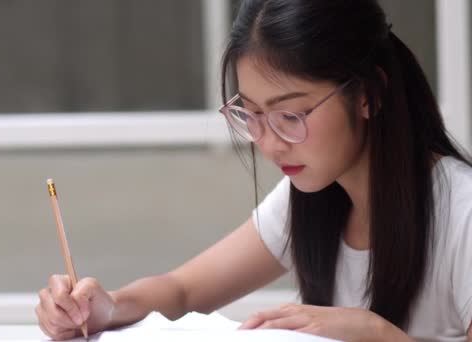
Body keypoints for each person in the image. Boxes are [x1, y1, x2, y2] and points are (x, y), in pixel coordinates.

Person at [35, 0, 472, 340]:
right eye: (252, 115)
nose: (268, 141)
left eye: (291, 115)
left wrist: (373, 332)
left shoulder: (461, 211)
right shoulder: (311, 197)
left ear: (368, 95)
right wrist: (106, 307)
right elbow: (183, 291)